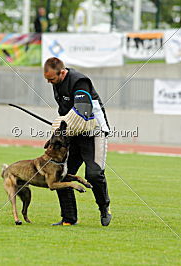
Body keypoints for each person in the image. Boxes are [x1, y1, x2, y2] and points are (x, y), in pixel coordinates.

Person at [43, 57, 112, 226]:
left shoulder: (80, 81)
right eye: (47, 79)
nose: (49, 82)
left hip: (93, 132)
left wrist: (61, 124)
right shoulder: (56, 83)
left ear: (63, 72)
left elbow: (83, 110)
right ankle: (69, 218)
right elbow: (65, 111)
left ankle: (104, 207)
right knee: (62, 173)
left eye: (51, 79)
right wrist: (58, 133)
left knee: (94, 174)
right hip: (73, 134)